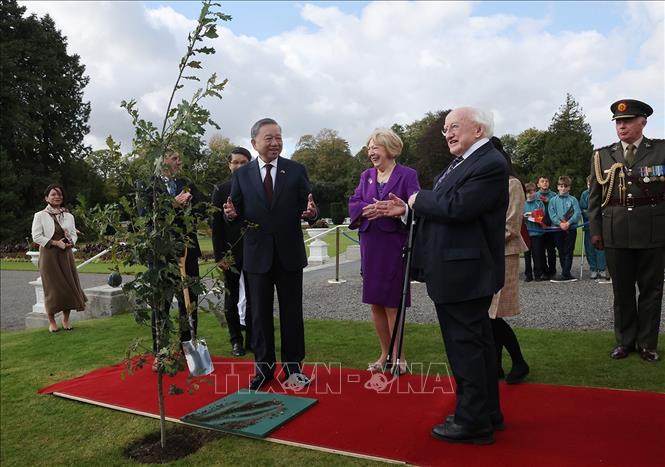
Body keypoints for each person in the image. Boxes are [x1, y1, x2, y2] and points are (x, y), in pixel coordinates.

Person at [377, 107, 508, 444]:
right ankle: (485, 412)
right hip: (457, 270)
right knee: (476, 347)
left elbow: (457, 207)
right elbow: (444, 211)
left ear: (478, 130)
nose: (447, 134)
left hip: (465, 273)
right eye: (445, 129)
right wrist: (407, 210)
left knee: (467, 348)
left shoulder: (489, 163)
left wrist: (419, 198)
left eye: (454, 127)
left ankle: (472, 421)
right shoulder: (465, 162)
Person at [224, 118, 318, 390]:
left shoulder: (296, 170)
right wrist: (230, 215)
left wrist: (312, 214)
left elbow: (310, 207)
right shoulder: (241, 175)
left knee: (292, 314)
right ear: (255, 143)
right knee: (259, 316)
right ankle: (263, 370)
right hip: (256, 257)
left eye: (279, 137)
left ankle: (293, 369)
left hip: (289, 255)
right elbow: (235, 212)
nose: (275, 142)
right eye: (269, 138)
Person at [588, 99, 664, 362]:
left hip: (653, 230)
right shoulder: (602, 155)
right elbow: (594, 199)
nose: (622, 126)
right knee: (621, 292)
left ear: (643, 122)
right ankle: (624, 342)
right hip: (615, 231)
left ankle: (647, 344)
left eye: (628, 121)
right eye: (619, 122)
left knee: (651, 292)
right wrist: (595, 230)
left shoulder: (660, 151)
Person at [348, 128, 420, 374]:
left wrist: (401, 210)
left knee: (392, 303)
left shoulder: (408, 175)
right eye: (369, 148)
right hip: (371, 244)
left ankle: (399, 357)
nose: (371, 152)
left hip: (394, 246)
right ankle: (384, 354)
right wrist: (366, 209)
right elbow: (355, 202)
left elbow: (415, 203)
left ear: (389, 148)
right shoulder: (366, 175)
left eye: (375, 147)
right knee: (375, 303)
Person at [140, 150, 205, 350]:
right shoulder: (146, 185)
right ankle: (161, 350)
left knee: (189, 302)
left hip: (187, 250)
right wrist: (172, 205)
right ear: (162, 160)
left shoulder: (186, 183)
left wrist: (190, 206)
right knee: (161, 304)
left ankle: (188, 346)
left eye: (179, 158)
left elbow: (202, 209)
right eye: (174, 158)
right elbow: (144, 215)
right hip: (160, 254)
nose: (179, 161)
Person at [488, 137, 530, 384]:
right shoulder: (489, 184)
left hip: (504, 253)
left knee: (493, 313)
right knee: (488, 314)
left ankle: (518, 361)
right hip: (487, 254)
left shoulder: (512, 184)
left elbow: (511, 226)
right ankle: (497, 366)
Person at [211, 147, 253, 357]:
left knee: (256, 297)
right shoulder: (221, 189)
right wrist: (219, 256)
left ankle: (253, 338)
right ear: (229, 165)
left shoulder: (257, 187)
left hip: (255, 251)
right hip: (230, 253)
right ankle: (236, 340)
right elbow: (216, 226)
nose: (238, 166)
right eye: (235, 162)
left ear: (250, 163)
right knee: (232, 298)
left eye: (243, 162)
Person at [31, 184, 87, 333]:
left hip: (65, 255)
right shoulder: (40, 215)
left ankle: (66, 320)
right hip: (49, 255)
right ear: (46, 198)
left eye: (59, 194)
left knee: (68, 285)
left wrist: (71, 243)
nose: (57, 197)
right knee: (52, 288)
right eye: (53, 194)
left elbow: (73, 234)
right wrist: (56, 243)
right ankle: (51, 322)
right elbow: (36, 236)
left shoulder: (68, 215)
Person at [548, 175, 581, 283]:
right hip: (557, 230)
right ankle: (565, 272)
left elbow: (577, 213)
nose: (563, 188)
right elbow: (552, 214)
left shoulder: (573, 200)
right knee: (561, 250)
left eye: (565, 186)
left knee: (569, 250)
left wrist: (568, 223)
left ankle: (566, 273)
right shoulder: (553, 200)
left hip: (570, 229)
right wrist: (560, 223)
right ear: (557, 187)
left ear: (569, 188)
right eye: (561, 186)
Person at [579, 175, 607, 280]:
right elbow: (582, 209)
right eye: (589, 183)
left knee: (600, 248)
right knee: (589, 248)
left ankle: (602, 269)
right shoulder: (584, 194)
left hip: (600, 226)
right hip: (588, 226)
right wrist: (590, 215)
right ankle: (593, 269)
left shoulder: (602, 193)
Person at [523, 182, 545, 281]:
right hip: (526, 233)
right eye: (527, 193)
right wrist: (524, 217)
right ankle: (528, 274)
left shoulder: (539, 203)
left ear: (535, 192)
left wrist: (533, 215)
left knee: (537, 254)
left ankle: (538, 274)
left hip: (536, 233)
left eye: (531, 192)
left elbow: (542, 215)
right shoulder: (522, 203)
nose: (529, 195)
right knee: (527, 255)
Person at [536, 176, 557, 279]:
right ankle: (544, 271)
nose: (545, 183)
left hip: (551, 227)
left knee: (551, 250)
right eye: (542, 181)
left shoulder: (554, 195)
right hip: (538, 227)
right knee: (540, 250)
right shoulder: (535, 196)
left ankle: (552, 271)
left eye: (546, 181)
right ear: (538, 184)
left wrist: (549, 202)